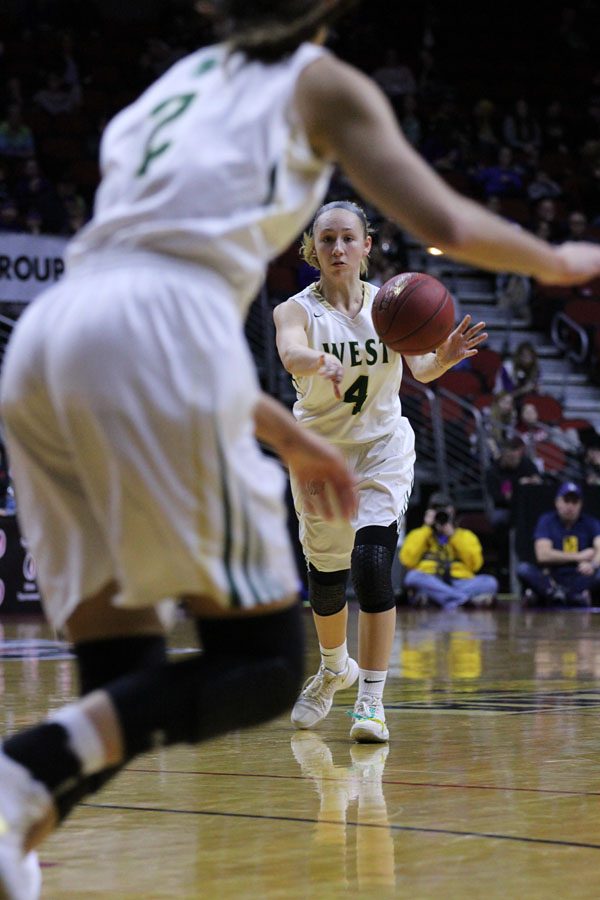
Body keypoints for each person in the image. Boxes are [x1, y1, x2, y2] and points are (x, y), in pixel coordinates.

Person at [3, 0, 600, 894]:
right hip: (161, 328)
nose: (333, 244)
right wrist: (556, 262)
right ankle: (22, 775)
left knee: (123, 667)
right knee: (259, 665)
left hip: (49, 335)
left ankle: (19, 828)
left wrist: (294, 425)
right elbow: (453, 221)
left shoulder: (171, 89)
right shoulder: (316, 82)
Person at [274, 199, 486, 743]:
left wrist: (448, 356)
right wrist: (318, 361)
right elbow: (290, 352)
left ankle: (370, 700)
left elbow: (422, 368)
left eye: (348, 238)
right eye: (327, 241)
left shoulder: (392, 304)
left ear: (367, 246)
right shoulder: (296, 310)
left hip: (382, 448)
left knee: (372, 562)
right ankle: (332, 669)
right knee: (326, 581)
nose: (338, 248)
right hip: (320, 456)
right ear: (313, 251)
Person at [400, 492, 499, 610]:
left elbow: (475, 565)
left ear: (452, 512)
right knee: (412, 577)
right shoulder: (419, 534)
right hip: (431, 580)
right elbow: (407, 561)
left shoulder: (465, 535)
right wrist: (426, 528)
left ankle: (442, 598)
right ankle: (464, 600)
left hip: (459, 582)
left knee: (490, 582)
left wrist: (453, 535)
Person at [517, 482, 600, 606]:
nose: (570, 506)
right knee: (523, 569)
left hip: (580, 576)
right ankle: (558, 594)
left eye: (575, 502)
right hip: (552, 577)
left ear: (580, 504)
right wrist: (579, 556)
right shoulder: (546, 521)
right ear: (557, 502)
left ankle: (566, 595)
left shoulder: (590, 522)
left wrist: (592, 565)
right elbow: (542, 555)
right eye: (566, 501)